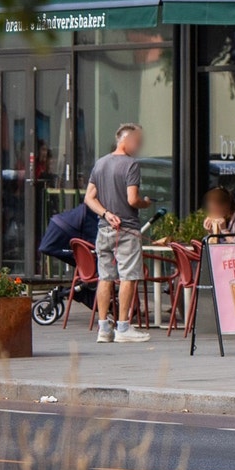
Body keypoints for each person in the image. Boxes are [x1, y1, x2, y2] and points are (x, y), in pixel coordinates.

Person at [84, 122, 153, 344]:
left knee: (105, 277)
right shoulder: (131, 165)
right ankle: (123, 327)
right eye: (138, 141)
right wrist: (145, 203)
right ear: (127, 140)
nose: (139, 145)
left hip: (104, 229)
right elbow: (132, 199)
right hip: (127, 228)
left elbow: (89, 198)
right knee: (128, 277)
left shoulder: (101, 163)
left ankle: (103, 328)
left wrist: (105, 214)